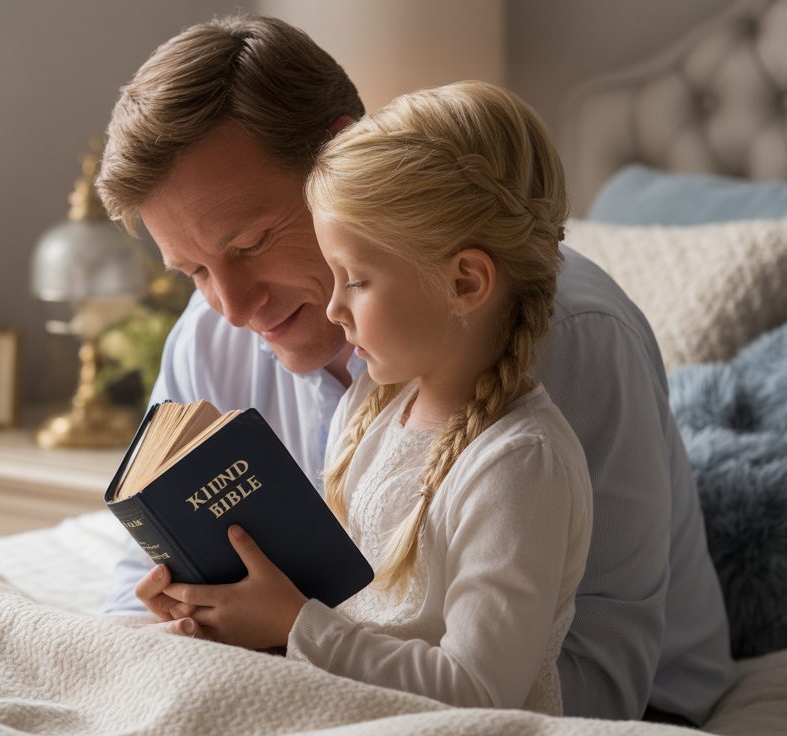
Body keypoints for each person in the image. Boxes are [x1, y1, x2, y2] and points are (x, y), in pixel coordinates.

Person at [96, 14, 733, 725]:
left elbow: (593, 674)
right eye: (192, 272)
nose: (234, 306)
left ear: (342, 158)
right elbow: (133, 593)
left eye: (249, 244)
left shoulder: (570, 343)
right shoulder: (210, 337)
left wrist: (292, 650)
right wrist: (188, 622)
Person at [170, 80, 595, 714]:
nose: (334, 308)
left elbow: (478, 692)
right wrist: (234, 614)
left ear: (465, 280)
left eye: (357, 280)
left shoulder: (519, 463)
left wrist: (293, 627)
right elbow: (347, 616)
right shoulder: (370, 408)